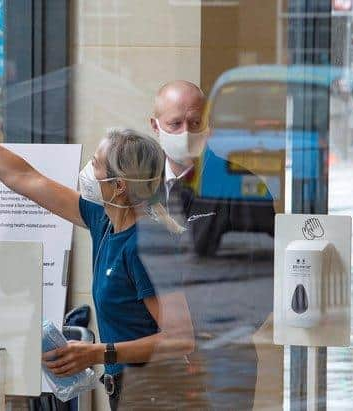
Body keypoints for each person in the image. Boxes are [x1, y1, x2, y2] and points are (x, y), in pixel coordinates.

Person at [0, 93, 195, 410]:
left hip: (156, 394)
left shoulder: (144, 244)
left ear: (119, 186)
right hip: (130, 391)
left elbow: (180, 339)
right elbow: (23, 177)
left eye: (95, 164)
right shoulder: (105, 221)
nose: (88, 172)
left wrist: (99, 353)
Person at [124, 80, 278, 409]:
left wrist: (217, 338)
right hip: (154, 357)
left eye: (195, 123)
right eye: (174, 124)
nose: (185, 132)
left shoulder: (242, 187)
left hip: (220, 359)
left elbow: (266, 279)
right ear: (154, 126)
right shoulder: (138, 190)